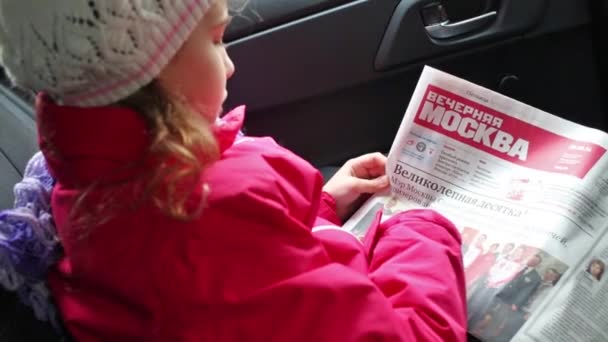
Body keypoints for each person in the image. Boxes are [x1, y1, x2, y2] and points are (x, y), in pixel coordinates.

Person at [0, 0, 467, 341]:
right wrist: (423, 229)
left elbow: (246, 283)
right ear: (149, 69)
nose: (229, 65)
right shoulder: (195, 218)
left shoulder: (106, 174)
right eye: (217, 39)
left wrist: (322, 204)